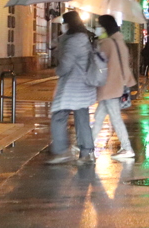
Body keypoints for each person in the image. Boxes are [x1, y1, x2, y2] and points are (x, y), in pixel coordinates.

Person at [48, 11, 98, 165]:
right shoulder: (82, 38)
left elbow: (66, 65)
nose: (63, 25)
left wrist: (57, 70)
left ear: (68, 23)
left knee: (58, 116)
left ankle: (61, 150)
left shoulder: (73, 40)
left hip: (71, 85)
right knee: (82, 118)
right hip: (82, 85)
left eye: (64, 22)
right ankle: (87, 152)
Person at [91, 15, 137, 159]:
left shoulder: (107, 43)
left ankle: (127, 148)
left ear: (105, 28)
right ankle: (87, 145)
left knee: (115, 118)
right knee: (98, 117)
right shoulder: (119, 41)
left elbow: (98, 62)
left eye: (99, 26)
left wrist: (95, 46)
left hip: (110, 86)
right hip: (115, 85)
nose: (97, 28)